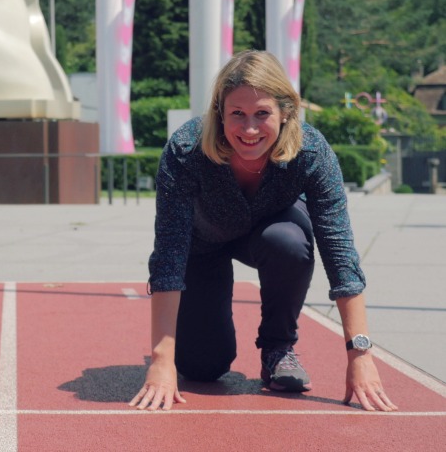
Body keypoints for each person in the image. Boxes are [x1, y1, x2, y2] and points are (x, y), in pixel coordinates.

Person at [129, 50, 397, 413]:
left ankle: (278, 348)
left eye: (262, 114)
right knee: (202, 368)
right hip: (202, 246)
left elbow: (340, 253)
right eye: (237, 114)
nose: (250, 129)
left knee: (286, 241)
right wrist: (162, 360)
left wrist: (360, 353)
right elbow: (169, 253)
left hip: (273, 234)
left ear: (285, 112)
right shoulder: (186, 150)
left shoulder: (312, 152)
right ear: (219, 113)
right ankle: (195, 352)